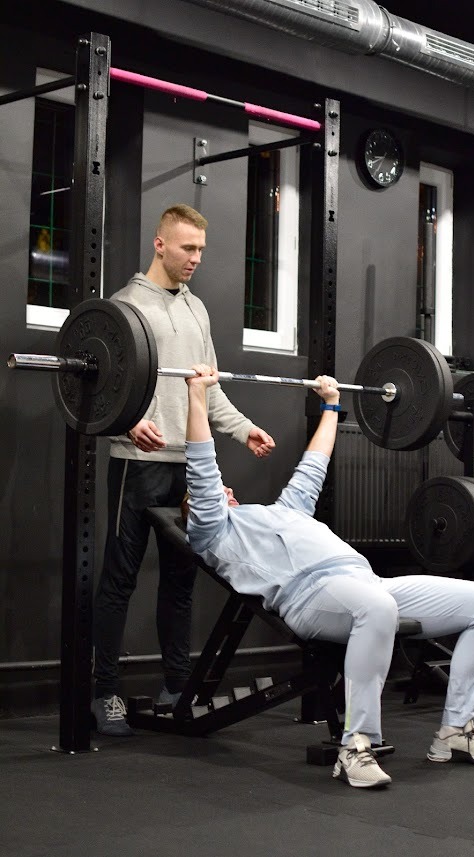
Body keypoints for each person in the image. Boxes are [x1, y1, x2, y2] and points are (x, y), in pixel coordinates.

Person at [183, 363, 474, 789]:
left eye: (221, 489)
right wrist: (197, 396)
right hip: (310, 597)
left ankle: (456, 732)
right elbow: (202, 468)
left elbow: (314, 464)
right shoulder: (213, 533)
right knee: (376, 608)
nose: (219, 490)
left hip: (367, 582)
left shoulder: (283, 511)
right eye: (201, 498)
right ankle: (357, 747)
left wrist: (332, 405)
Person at [91, 205, 275, 736]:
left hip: (188, 467)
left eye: (200, 249)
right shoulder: (125, 307)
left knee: (180, 582)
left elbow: (209, 390)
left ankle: (177, 686)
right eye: (187, 248)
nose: (195, 258)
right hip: (138, 464)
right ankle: (104, 693)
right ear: (160, 244)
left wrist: (245, 429)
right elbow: (100, 393)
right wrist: (123, 428)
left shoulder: (197, 311)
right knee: (119, 582)